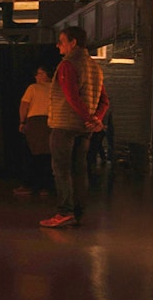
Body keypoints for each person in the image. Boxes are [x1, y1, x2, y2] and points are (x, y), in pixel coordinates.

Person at [40, 27, 110, 228]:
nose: (58, 45)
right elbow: (105, 100)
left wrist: (89, 117)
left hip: (65, 124)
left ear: (73, 43)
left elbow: (71, 96)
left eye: (61, 41)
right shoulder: (95, 67)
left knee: (61, 170)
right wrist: (95, 119)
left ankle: (64, 211)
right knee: (80, 170)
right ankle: (77, 213)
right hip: (84, 128)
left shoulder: (68, 65)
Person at [14, 65, 53, 196]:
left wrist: (22, 121)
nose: (36, 76)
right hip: (51, 122)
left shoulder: (33, 88)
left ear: (45, 75)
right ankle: (46, 187)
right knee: (48, 155)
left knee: (31, 154)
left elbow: (24, 105)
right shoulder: (57, 88)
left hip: (35, 122)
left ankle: (28, 185)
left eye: (39, 73)